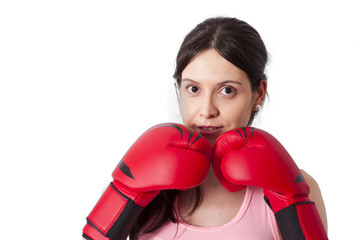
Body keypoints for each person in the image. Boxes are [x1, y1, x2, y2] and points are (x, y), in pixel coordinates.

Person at [83, 17, 327, 240]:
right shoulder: (140, 177)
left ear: (258, 93)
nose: (207, 110)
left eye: (227, 90)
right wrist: (123, 194)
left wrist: (291, 202)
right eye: (194, 89)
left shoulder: (293, 187)